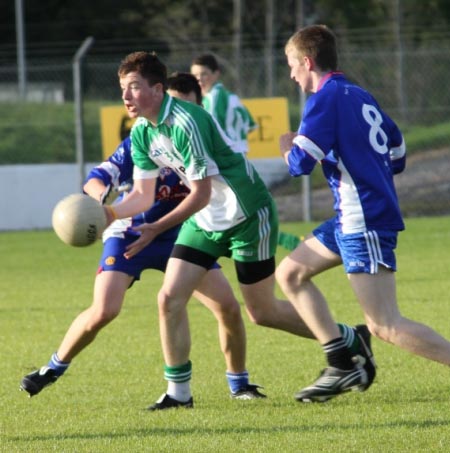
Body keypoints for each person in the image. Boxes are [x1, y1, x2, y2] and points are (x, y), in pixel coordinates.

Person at [98, 51, 375, 410]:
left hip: (247, 214)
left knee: (262, 313)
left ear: (157, 88)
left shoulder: (186, 122)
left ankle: (350, 338)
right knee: (169, 299)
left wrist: (157, 228)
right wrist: (109, 213)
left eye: (133, 87)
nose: (126, 96)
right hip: (205, 221)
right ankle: (179, 393)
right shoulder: (141, 134)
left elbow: (200, 192)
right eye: (123, 88)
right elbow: (141, 195)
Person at [20, 72, 266, 404]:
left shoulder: (197, 132)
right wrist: (97, 206)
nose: (179, 110)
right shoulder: (142, 138)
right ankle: (52, 368)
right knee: (104, 310)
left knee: (227, 307)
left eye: (186, 104)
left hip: (181, 234)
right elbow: (98, 178)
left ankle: (239, 385)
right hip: (131, 234)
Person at [276, 24, 450, 403]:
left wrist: (286, 144)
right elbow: (398, 154)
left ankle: (352, 361)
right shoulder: (359, 93)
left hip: (363, 220)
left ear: (307, 62)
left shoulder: (324, 99)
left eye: (291, 64)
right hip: (351, 218)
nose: (290, 73)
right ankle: (342, 361)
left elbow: (300, 164)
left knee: (384, 324)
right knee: (290, 272)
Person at [190, 53, 257, 155]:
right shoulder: (230, 96)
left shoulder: (213, 99)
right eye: (195, 75)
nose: (199, 79)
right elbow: (250, 125)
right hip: (239, 154)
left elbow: (209, 131)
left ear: (216, 74)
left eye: (204, 74)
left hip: (224, 156)